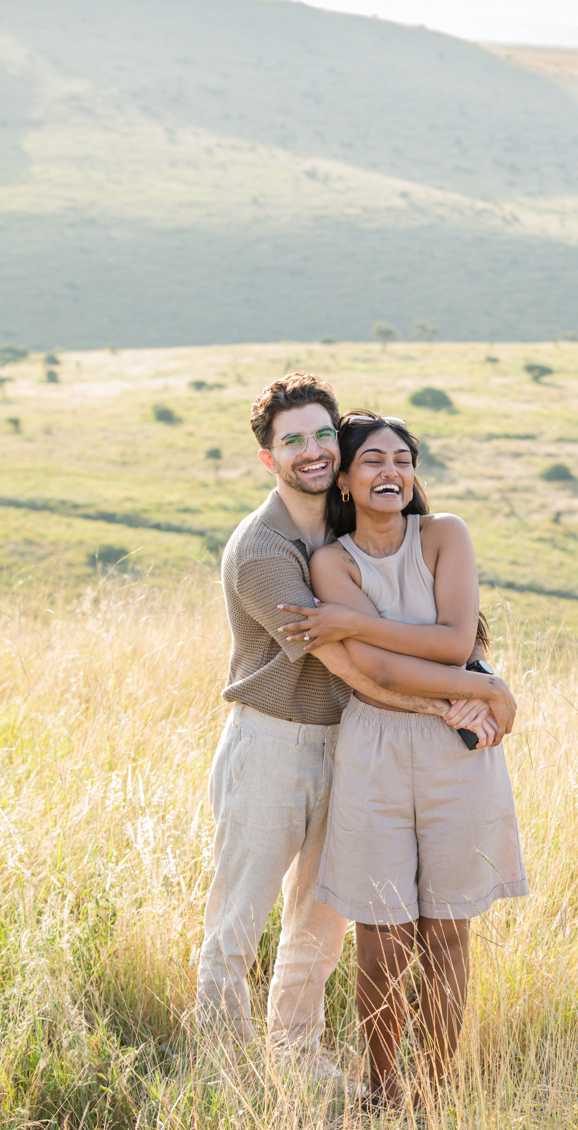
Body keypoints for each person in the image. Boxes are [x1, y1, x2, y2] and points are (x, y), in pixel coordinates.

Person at [196, 375, 518, 1072]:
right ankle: (221, 1067)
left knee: (318, 921)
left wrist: (476, 682)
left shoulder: (339, 532)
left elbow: (424, 624)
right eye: (292, 441)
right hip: (274, 743)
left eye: (320, 436)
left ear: (333, 452)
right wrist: (456, 701)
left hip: (347, 744)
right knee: (240, 918)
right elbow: (349, 662)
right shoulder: (265, 549)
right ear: (269, 456)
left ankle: (296, 1057)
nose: (309, 451)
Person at [277, 410, 528, 1105]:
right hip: (375, 749)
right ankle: (383, 1089)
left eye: (402, 460)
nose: (391, 472)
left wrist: (357, 622)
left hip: (457, 752)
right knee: (381, 935)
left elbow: (452, 641)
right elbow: (379, 675)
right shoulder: (331, 560)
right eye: (373, 462)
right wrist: (486, 688)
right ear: (348, 482)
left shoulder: (445, 535)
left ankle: (435, 1090)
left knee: (448, 931)